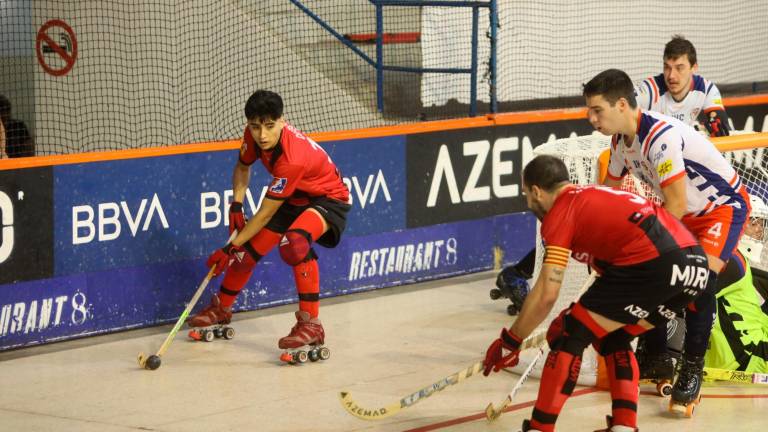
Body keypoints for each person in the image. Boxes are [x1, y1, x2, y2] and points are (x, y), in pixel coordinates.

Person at [482, 155, 709, 432]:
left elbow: (546, 294)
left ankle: (540, 427)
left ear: (536, 191)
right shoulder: (595, 198)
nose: (528, 202)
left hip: (655, 263)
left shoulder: (562, 211)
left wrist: (511, 340)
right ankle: (624, 426)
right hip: (696, 270)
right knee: (614, 338)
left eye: (526, 194)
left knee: (568, 334)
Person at [585, 68, 750, 413]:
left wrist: (637, 249)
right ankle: (657, 353)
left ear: (620, 105)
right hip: (686, 215)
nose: (591, 119)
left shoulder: (659, 137)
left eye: (597, 110)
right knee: (657, 276)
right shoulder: (618, 144)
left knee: (698, 282)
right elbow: (610, 198)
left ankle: (691, 368)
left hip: (721, 210)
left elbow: (673, 204)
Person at [189, 90, 351, 361]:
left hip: (327, 198)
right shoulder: (253, 136)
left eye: (269, 126)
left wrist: (228, 248)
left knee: (294, 243)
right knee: (245, 253)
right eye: (255, 126)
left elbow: (264, 214)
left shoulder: (292, 157)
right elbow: (242, 167)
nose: (262, 135)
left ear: (282, 121)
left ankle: (310, 323)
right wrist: (236, 205)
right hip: (294, 197)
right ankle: (221, 309)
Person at [705, 195, 768, 372]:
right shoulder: (732, 261)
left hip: (751, 351)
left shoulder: (736, 260)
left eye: (762, 224)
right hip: (750, 357)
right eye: (754, 222)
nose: (759, 230)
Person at [634, 35, 730, 137]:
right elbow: (623, 102)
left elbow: (721, 123)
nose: (671, 76)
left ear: (694, 68)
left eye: (679, 68)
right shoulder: (649, 90)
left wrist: (716, 124)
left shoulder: (705, 88)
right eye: (667, 67)